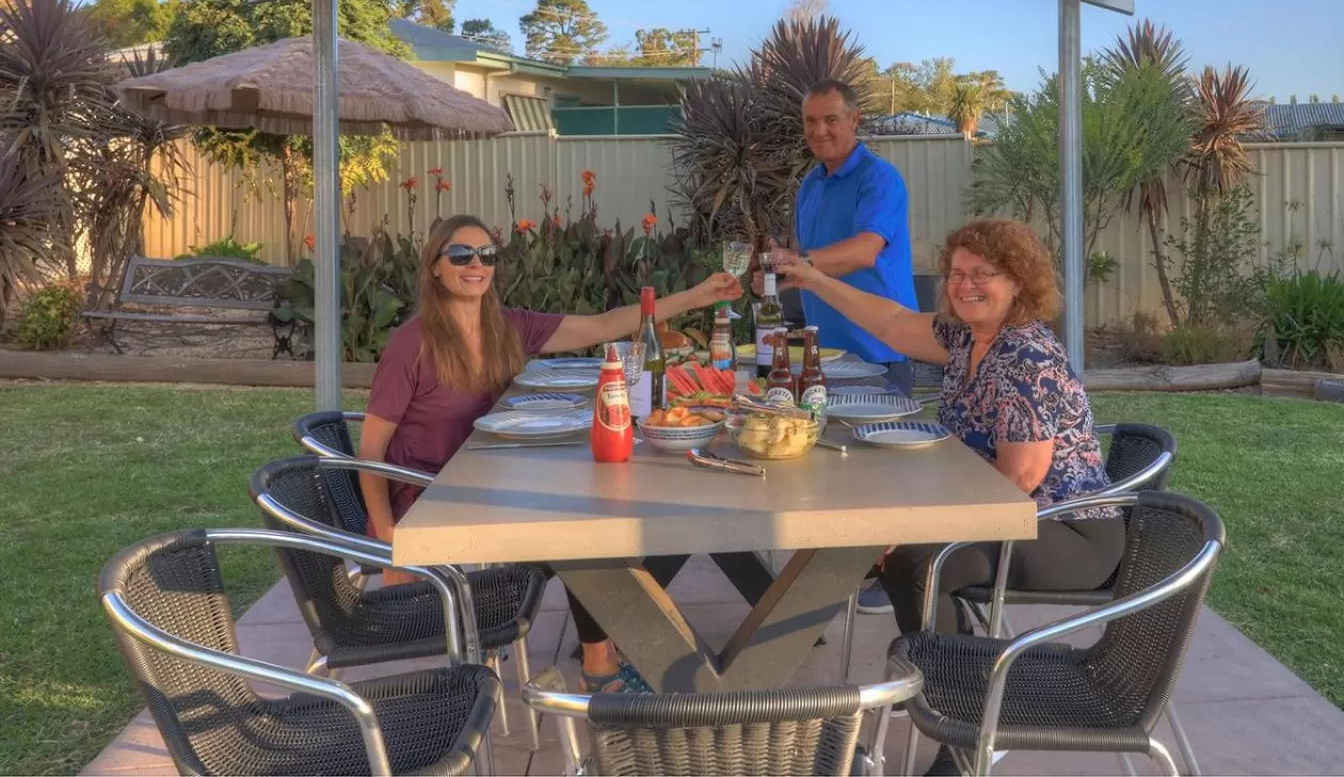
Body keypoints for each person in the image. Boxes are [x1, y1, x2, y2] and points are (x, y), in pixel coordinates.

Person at [358, 214, 741, 694]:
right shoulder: (412, 343)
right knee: (580, 538)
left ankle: (615, 655)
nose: (476, 264)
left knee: (589, 525)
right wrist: (389, 539)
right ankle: (605, 669)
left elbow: (602, 326)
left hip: (485, 483)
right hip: (432, 503)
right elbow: (371, 448)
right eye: (461, 255)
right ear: (435, 268)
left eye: (487, 255)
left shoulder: (505, 327)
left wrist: (697, 296)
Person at [772, 217, 1124, 640]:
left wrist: (921, 525)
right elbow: (891, 323)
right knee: (857, 533)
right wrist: (813, 279)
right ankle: (935, 669)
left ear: (1018, 282)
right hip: (1010, 514)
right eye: (957, 273)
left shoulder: (1027, 357)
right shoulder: (966, 337)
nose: (965, 284)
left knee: (915, 560)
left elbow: (1020, 478)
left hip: (1062, 530)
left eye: (982, 274)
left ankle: (953, 690)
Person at [764, 77, 921, 614]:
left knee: (875, 476)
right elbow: (812, 257)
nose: (820, 130)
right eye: (811, 121)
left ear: (855, 121)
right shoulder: (811, 182)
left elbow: (864, 250)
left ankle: (884, 575)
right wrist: (786, 258)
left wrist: (800, 263)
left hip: (877, 350)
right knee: (827, 472)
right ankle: (825, 577)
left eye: (831, 119)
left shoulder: (880, 178)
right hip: (822, 354)